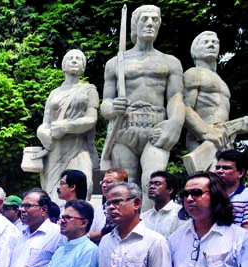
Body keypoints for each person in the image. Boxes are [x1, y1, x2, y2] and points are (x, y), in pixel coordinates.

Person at [101, 5, 185, 202]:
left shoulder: (170, 62)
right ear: (134, 25)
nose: (150, 23)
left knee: (153, 181)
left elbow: (175, 98)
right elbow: (105, 103)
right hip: (123, 128)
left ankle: (149, 227)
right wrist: (112, 108)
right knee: (124, 183)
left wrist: (175, 123)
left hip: (155, 127)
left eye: (155, 20)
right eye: (144, 19)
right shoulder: (115, 63)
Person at [37, 49, 99, 203]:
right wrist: (41, 133)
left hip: (78, 148)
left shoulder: (89, 90)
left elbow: (91, 119)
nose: (74, 60)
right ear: (63, 65)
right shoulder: (54, 93)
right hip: (56, 150)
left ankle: (78, 219)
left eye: (78, 58)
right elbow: (45, 123)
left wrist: (66, 127)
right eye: (70, 58)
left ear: (83, 67)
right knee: (53, 190)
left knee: (83, 186)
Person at [183, 31, 248, 173]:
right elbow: (185, 108)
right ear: (194, 50)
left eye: (215, 42)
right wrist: (205, 132)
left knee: (225, 183)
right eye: (205, 42)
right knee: (211, 181)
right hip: (203, 139)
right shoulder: (193, 73)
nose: (211, 44)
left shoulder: (221, 80)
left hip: (225, 139)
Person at [89, 168, 129, 243]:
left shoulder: (130, 208)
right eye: (103, 182)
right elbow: (89, 235)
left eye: (109, 182)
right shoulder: (99, 210)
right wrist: (104, 231)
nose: (104, 185)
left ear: (122, 184)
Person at [141, 170, 184, 238]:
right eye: (150, 184)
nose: (151, 187)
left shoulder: (180, 214)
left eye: (157, 184)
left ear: (169, 190)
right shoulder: (144, 217)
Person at [214, 150, 248, 228]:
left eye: (226, 168)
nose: (219, 171)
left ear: (240, 173)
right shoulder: (209, 195)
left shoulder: (246, 196)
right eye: (217, 168)